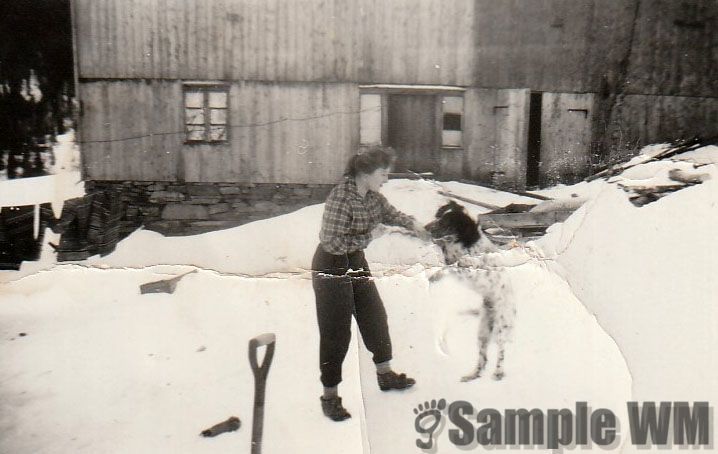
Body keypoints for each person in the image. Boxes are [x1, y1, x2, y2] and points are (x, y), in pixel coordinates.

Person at [312, 145, 426, 422]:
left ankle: (385, 375)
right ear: (365, 172)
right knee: (337, 332)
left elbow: (392, 214)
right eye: (383, 174)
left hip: (354, 260)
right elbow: (332, 242)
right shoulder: (341, 197)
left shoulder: (373, 196)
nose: (386, 179)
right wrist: (368, 238)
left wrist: (415, 225)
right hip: (330, 264)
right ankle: (330, 396)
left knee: (374, 316)